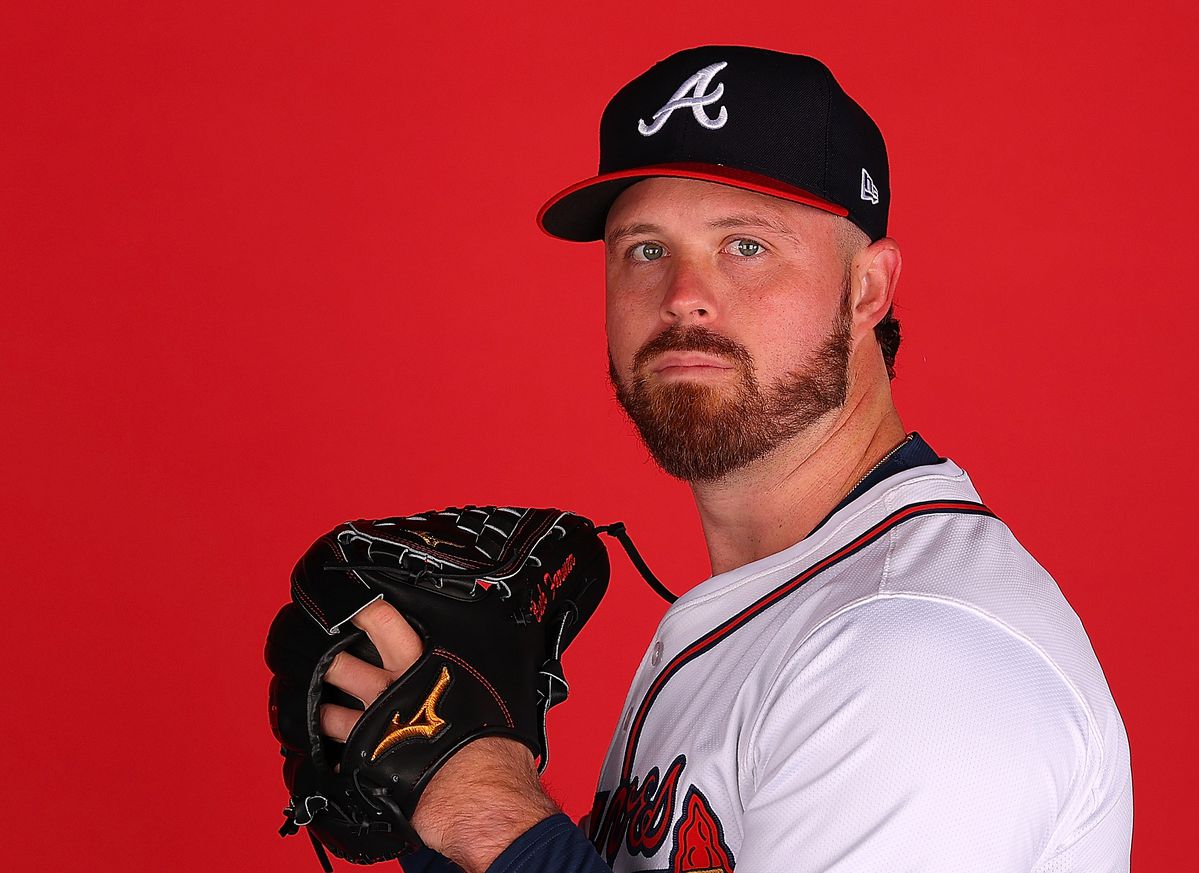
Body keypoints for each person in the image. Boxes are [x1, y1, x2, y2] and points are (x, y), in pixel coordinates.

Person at [317, 45, 1133, 872]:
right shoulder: (794, 606)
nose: (682, 294)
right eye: (644, 248)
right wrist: (445, 824)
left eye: (745, 246)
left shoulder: (919, 657)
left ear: (866, 291)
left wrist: (486, 810)